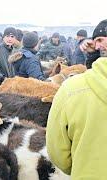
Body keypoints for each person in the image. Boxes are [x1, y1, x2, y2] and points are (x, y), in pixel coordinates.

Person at [46, 19, 107, 179]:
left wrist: (82, 165)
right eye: (96, 41)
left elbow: (57, 151)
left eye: (101, 40)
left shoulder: (70, 90)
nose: (98, 46)